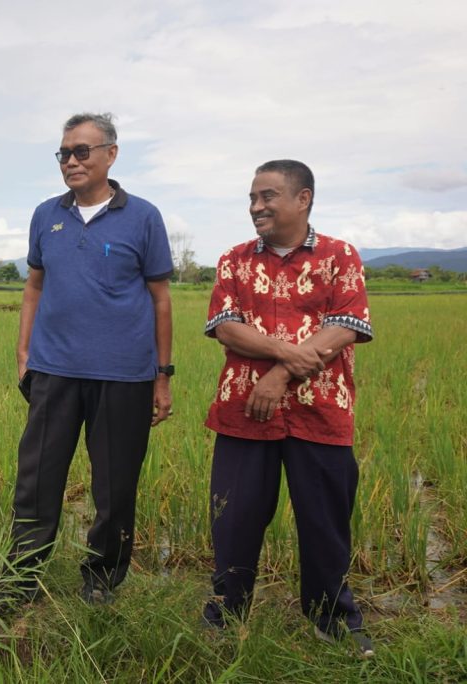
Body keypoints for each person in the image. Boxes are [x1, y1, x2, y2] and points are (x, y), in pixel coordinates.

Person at [0, 112, 174, 607]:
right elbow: (34, 287)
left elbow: (160, 299)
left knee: (115, 487)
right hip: (53, 371)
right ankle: (21, 579)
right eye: (64, 153)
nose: (71, 161)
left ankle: (102, 578)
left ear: (111, 154)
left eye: (82, 151)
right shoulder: (46, 215)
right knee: (36, 480)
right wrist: (23, 352)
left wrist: (162, 376)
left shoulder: (143, 216)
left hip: (124, 376)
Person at [202, 160, 374, 657]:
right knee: (234, 519)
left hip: (320, 411)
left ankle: (332, 618)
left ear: (303, 199)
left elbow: (346, 325)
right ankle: (227, 612)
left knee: (325, 521)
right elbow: (225, 325)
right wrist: (286, 353)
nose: (256, 207)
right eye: (252, 198)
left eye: (268, 196)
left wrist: (279, 375)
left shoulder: (339, 255)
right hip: (245, 413)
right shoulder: (234, 260)